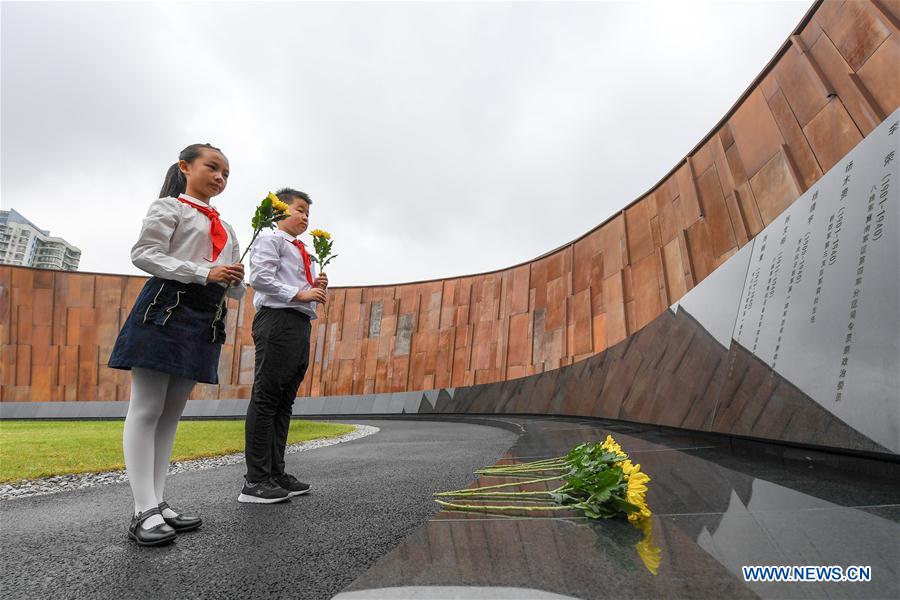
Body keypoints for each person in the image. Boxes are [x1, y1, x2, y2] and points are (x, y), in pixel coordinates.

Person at [108, 143, 246, 545]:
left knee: (171, 413)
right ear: (185, 167)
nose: (220, 177)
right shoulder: (169, 208)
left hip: (204, 317)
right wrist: (204, 271)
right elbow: (144, 254)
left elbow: (230, 287)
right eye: (213, 167)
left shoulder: (229, 227)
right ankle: (142, 509)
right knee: (147, 407)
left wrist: (232, 279)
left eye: (226, 174)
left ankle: (158, 501)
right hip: (165, 308)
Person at [239, 188, 327, 503]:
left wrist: (314, 287)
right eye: (300, 209)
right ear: (280, 212)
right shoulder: (270, 240)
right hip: (276, 321)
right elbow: (260, 279)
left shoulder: (303, 249)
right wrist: (301, 294)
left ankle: (276, 473)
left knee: (284, 401)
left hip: (298, 324)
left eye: (308, 213)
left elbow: (291, 283)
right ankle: (256, 480)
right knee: (266, 398)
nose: (305, 217)